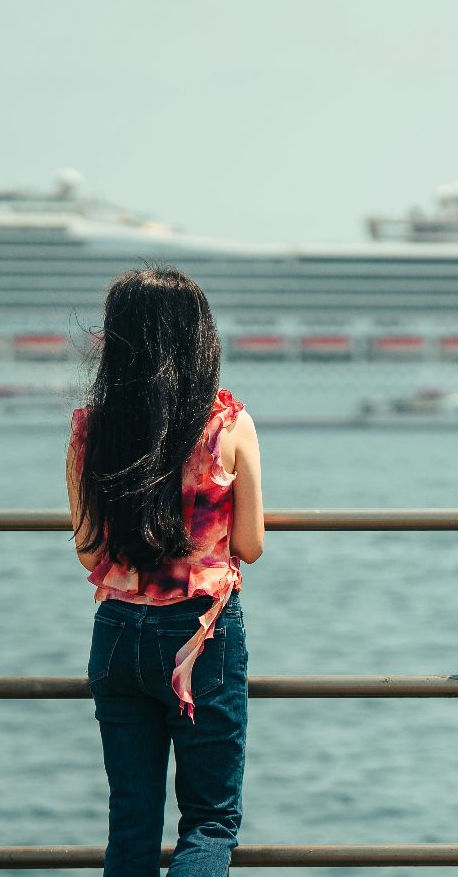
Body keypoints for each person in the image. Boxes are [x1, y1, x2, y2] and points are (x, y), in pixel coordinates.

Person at [66, 266, 265, 877]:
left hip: (118, 633)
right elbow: (251, 545)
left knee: (131, 819)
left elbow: (87, 549)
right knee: (208, 822)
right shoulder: (227, 425)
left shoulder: (91, 431)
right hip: (200, 634)